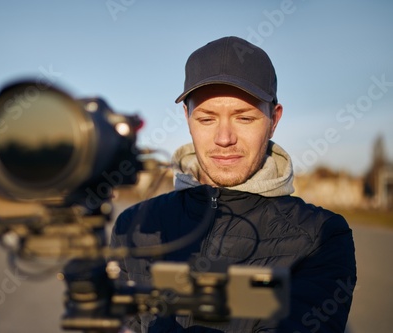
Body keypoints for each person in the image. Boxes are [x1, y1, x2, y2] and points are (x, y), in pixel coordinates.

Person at [110, 36, 357, 332]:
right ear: (187, 117)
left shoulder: (320, 237)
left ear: (273, 119)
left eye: (244, 118)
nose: (224, 138)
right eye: (207, 119)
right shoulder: (135, 226)